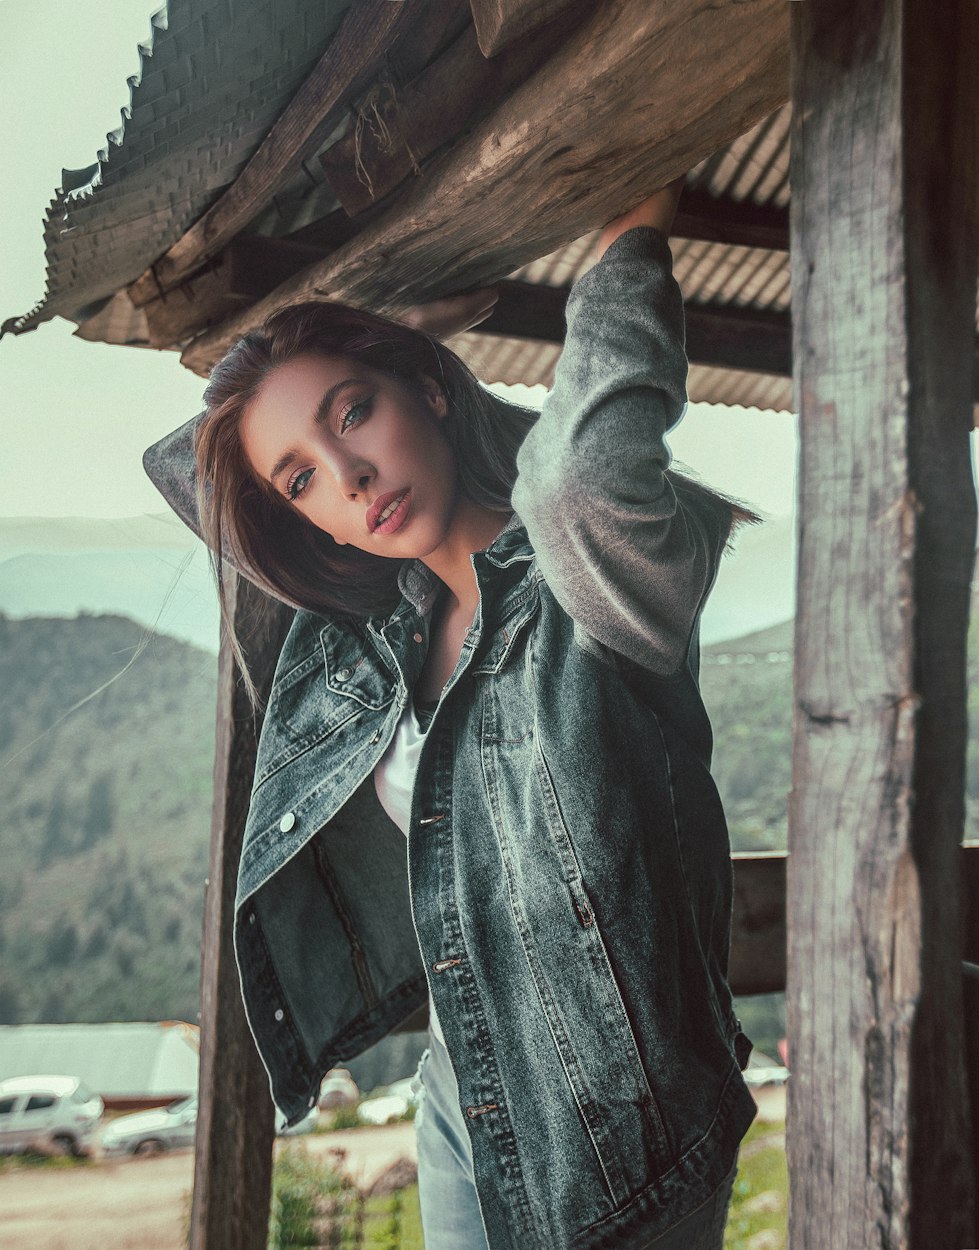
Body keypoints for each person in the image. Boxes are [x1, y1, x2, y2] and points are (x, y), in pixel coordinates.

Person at [143, 177, 759, 1250]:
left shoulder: (592, 583)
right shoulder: (373, 629)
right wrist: (388, 344)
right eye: (304, 479)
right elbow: (185, 473)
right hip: (459, 1090)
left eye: (353, 412)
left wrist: (628, 237)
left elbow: (577, 476)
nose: (347, 476)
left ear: (428, 390)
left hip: (617, 1125)